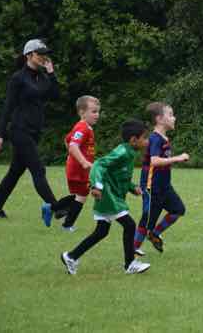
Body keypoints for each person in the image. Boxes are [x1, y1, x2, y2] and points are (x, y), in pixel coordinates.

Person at [60, 119, 151, 275]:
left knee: (101, 231)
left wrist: (132, 187)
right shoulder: (122, 152)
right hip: (108, 196)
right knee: (129, 225)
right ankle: (130, 264)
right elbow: (99, 165)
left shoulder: (130, 152)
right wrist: (96, 186)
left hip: (110, 196)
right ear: (133, 140)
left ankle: (71, 256)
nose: (147, 141)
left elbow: (118, 175)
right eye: (144, 138)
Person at [0, 39, 63, 225]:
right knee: (38, 169)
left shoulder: (42, 77)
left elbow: (55, 96)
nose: (43, 57)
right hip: (19, 130)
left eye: (45, 54)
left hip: (34, 132)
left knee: (15, 172)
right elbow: (8, 106)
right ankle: (57, 208)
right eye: (40, 54)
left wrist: (51, 73)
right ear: (29, 55)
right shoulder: (18, 78)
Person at [133, 102, 189, 255]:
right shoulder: (155, 138)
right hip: (152, 186)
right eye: (170, 115)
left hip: (164, 186)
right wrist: (178, 158)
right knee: (148, 218)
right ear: (159, 119)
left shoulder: (163, 138)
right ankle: (133, 249)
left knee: (178, 210)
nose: (174, 118)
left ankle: (154, 234)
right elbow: (155, 161)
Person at [54, 96, 100, 231]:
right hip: (79, 169)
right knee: (82, 196)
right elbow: (73, 145)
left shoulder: (83, 127)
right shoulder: (82, 128)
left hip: (78, 168)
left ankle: (56, 210)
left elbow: (67, 140)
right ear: (82, 112)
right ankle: (64, 222)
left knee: (80, 195)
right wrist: (83, 162)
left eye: (98, 111)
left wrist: (72, 157)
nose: (97, 115)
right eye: (93, 112)